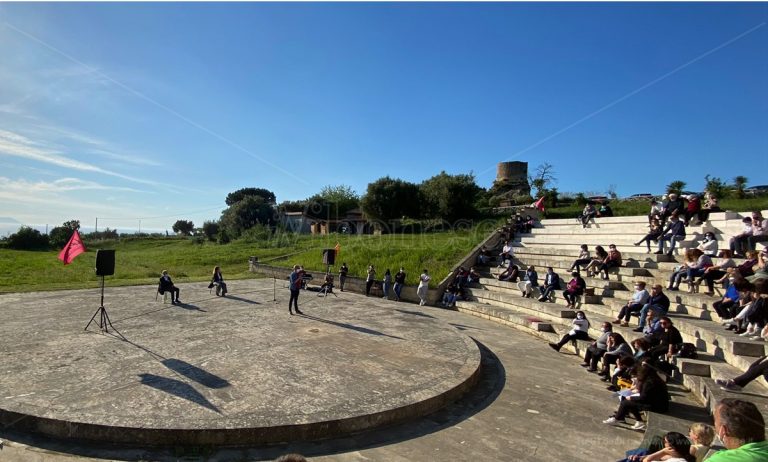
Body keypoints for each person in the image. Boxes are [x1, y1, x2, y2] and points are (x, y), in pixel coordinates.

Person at [603, 363, 670, 430]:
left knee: (626, 402)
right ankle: (637, 421)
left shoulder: (649, 383)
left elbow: (643, 398)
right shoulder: (653, 379)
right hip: (658, 403)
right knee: (629, 401)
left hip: (658, 406)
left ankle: (617, 419)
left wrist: (631, 397)